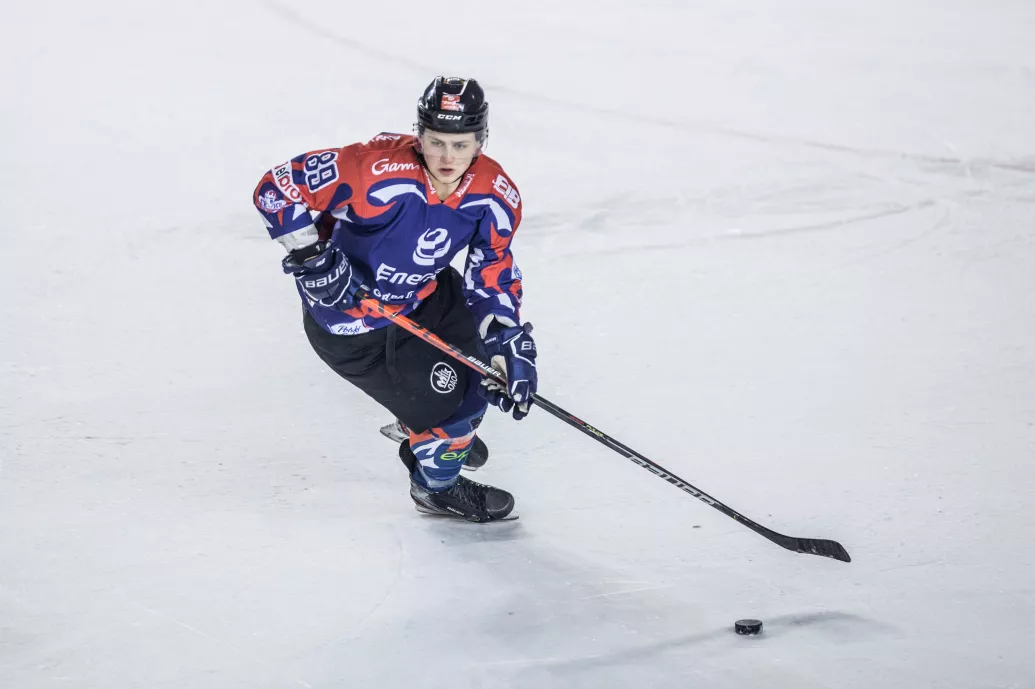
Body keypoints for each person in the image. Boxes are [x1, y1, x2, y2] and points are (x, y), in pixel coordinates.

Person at [252, 77, 537, 522]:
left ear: (481, 140)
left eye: (461, 145)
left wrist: (505, 338)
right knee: (453, 413)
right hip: (356, 325)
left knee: (483, 374)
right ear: (419, 135)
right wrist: (312, 259)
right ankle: (435, 488)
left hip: (427, 296)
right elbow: (276, 189)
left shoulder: (494, 192)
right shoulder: (372, 168)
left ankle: (424, 428)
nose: (447, 158)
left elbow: (491, 270)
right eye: (436, 142)